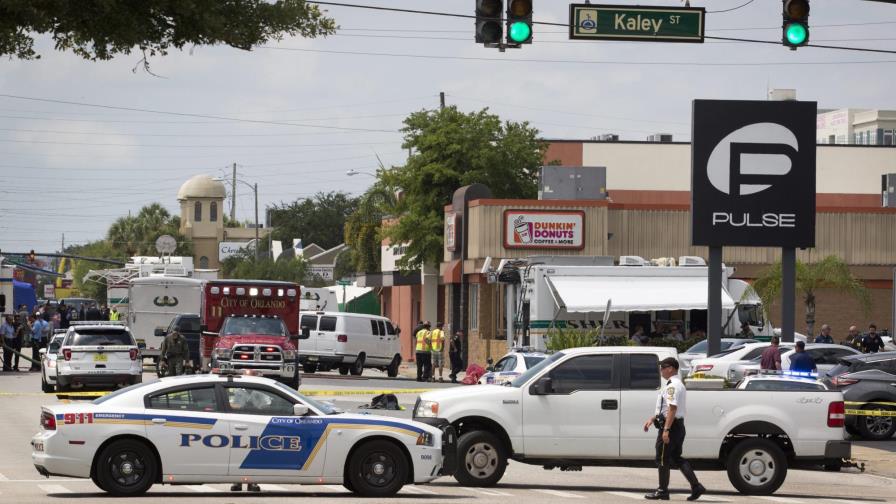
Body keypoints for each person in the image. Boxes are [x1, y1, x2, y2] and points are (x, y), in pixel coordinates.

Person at [643, 357, 705, 501]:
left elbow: (672, 408)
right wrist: (653, 419)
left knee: (662, 458)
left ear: (670, 368)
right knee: (676, 458)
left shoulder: (673, 386)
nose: (661, 371)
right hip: (677, 426)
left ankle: (662, 490)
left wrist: (666, 430)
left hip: (671, 427)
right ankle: (696, 486)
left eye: (663, 367)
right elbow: (666, 409)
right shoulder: (675, 384)